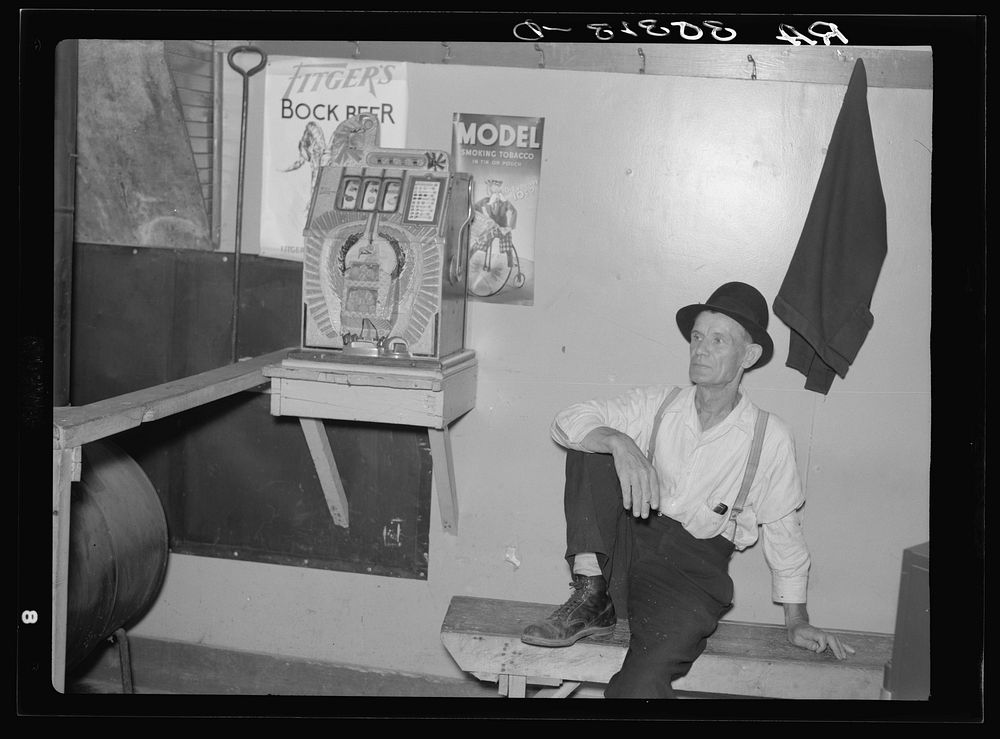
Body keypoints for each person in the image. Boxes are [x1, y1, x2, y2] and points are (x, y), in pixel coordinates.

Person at [521, 281, 855, 698]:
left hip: (689, 574)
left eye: (718, 340)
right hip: (623, 551)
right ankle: (591, 595)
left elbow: (784, 533)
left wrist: (796, 620)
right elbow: (567, 419)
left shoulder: (769, 436)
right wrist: (618, 441)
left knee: (640, 686)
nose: (701, 349)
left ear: (748, 356)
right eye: (697, 337)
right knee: (593, 442)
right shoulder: (658, 404)